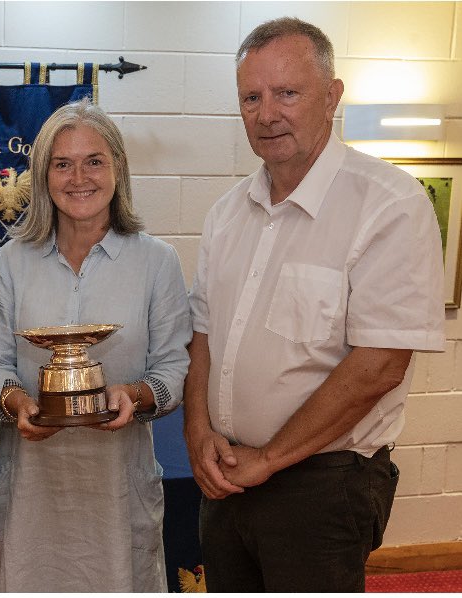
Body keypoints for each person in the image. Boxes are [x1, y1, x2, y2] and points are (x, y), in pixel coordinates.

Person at [183, 17, 446, 593]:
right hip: (226, 478)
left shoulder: (389, 206)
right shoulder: (227, 213)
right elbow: (203, 336)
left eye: (287, 93)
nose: (266, 112)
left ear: (332, 96)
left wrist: (270, 458)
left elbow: (379, 365)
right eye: (251, 97)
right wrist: (198, 433)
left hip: (323, 486)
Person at [0, 98, 191, 592]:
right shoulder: (12, 261)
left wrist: (133, 396)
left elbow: (174, 370)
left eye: (94, 161)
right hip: (30, 492)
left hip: (116, 493)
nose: (79, 178)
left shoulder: (157, 262)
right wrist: (16, 403)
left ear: (117, 169)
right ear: (42, 174)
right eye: (62, 163)